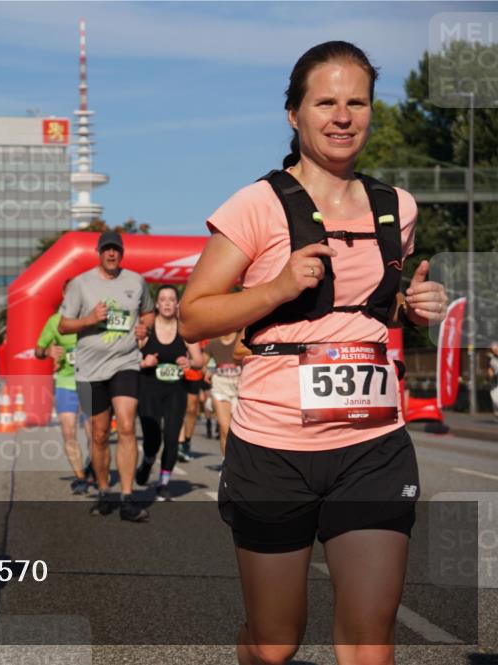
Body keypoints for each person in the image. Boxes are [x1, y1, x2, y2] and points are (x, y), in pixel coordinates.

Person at [180, 41, 448, 665]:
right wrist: (275, 288)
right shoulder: (257, 204)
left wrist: (411, 306)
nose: (342, 115)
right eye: (325, 101)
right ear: (294, 114)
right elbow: (195, 314)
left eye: (357, 102)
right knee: (274, 645)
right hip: (274, 450)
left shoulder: (396, 208)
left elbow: (368, 306)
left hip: (372, 446)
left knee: (368, 643)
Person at [59, 230, 155, 522]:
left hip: (125, 362)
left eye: (116, 250)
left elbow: (148, 313)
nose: (111, 254)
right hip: (89, 368)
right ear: (98, 253)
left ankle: (127, 497)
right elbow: (63, 326)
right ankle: (103, 490)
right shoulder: (81, 284)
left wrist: (144, 329)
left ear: (122, 253)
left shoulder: (136, 281)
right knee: (99, 434)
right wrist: (89, 319)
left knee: (126, 425)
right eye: (106, 250)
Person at [135, 286, 205, 501]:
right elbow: (128, 359)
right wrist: (144, 362)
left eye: (171, 299)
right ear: (156, 304)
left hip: (176, 390)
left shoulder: (184, 331)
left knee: (172, 437)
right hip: (149, 390)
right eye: (162, 299)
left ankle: (164, 483)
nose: (166, 303)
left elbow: (199, 361)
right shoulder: (145, 331)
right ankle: (147, 460)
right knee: (152, 439)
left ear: (177, 304)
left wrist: (188, 362)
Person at [35, 284, 94, 495]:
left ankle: (94, 464)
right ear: (64, 296)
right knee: (69, 432)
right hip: (66, 383)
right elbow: (37, 350)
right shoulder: (54, 322)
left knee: (94, 433)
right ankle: (80, 477)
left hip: (90, 382)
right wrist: (47, 350)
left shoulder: (93, 318)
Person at [204, 330, 245, 465]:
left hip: (240, 386)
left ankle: (238, 461)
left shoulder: (242, 339)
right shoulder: (213, 343)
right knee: (224, 428)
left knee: (237, 430)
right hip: (220, 385)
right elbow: (202, 363)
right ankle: (227, 462)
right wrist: (207, 371)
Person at [488, 341, 498, 419]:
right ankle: (496, 412)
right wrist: (490, 374)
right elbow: (490, 370)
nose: (495, 351)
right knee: (495, 399)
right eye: (494, 349)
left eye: (496, 349)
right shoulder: (491, 359)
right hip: (495, 381)